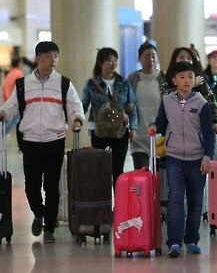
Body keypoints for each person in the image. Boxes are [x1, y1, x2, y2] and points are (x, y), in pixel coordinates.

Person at [0, 41, 84, 243]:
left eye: (55, 56)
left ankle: (49, 228)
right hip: (29, 141)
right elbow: (11, 106)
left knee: (52, 186)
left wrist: (77, 120)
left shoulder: (64, 83)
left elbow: (75, 106)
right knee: (31, 186)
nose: (52, 60)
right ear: (37, 59)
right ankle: (39, 213)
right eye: (47, 56)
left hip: (54, 140)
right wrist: (3, 112)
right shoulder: (23, 84)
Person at [148, 61, 215, 257]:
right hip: (174, 158)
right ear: (174, 80)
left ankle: (192, 239)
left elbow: (208, 133)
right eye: (182, 77)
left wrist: (207, 157)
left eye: (190, 77)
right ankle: (174, 243)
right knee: (175, 199)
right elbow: (161, 122)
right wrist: (154, 127)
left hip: (197, 160)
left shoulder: (202, 103)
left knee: (195, 202)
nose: (187, 80)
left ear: (195, 80)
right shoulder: (167, 101)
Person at [81, 47, 138, 188]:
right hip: (98, 131)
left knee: (118, 171)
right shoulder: (91, 84)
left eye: (115, 60)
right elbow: (83, 105)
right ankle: (103, 207)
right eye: (109, 60)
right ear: (101, 63)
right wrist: (77, 120)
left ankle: (119, 206)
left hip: (120, 131)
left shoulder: (123, 83)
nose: (113, 63)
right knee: (100, 170)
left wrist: (134, 128)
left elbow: (132, 106)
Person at [127, 41, 167, 169]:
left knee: (160, 178)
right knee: (141, 176)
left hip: (160, 137)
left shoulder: (162, 78)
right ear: (140, 58)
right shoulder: (133, 79)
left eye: (154, 56)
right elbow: (127, 103)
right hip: (139, 136)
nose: (151, 59)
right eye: (147, 56)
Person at [165, 47, 217, 130]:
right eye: (181, 57)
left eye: (189, 58)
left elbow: (213, 104)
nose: (185, 60)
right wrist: (190, 85)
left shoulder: (200, 80)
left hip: (199, 129)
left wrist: (215, 122)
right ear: (174, 60)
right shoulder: (167, 79)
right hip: (174, 129)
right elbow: (164, 97)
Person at [1, 57, 24, 133]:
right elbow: (20, 90)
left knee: (9, 121)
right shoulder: (19, 73)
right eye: (21, 63)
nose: (22, 64)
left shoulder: (10, 73)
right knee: (13, 122)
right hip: (15, 102)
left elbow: (4, 87)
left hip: (8, 100)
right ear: (18, 64)